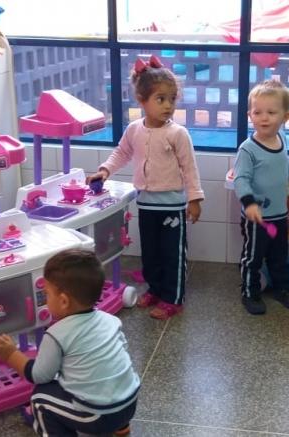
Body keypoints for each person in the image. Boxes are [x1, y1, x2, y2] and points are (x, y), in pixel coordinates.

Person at [87, 55, 203, 321]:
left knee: (172, 255)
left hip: (173, 206)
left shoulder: (178, 133)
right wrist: (105, 170)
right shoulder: (134, 130)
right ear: (142, 100)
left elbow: (190, 168)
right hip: (147, 203)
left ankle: (173, 298)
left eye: (172, 99)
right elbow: (121, 153)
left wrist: (195, 199)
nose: (168, 105)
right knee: (150, 253)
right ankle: (155, 289)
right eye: (160, 99)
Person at [0, 250, 140, 436]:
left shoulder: (56, 334)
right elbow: (119, 355)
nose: (45, 299)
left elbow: (38, 375)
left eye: (46, 294)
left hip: (97, 416)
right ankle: (121, 427)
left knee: (40, 398)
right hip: (129, 403)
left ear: (63, 301)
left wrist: (10, 354)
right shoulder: (110, 320)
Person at [233, 79, 289, 315]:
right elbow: (241, 179)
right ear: (250, 115)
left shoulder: (281, 139)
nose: (264, 118)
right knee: (253, 258)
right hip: (257, 219)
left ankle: (282, 289)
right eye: (257, 112)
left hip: (279, 215)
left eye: (271, 112)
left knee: (280, 256)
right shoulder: (248, 149)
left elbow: (282, 165)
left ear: (286, 117)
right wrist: (249, 203)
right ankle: (250, 293)